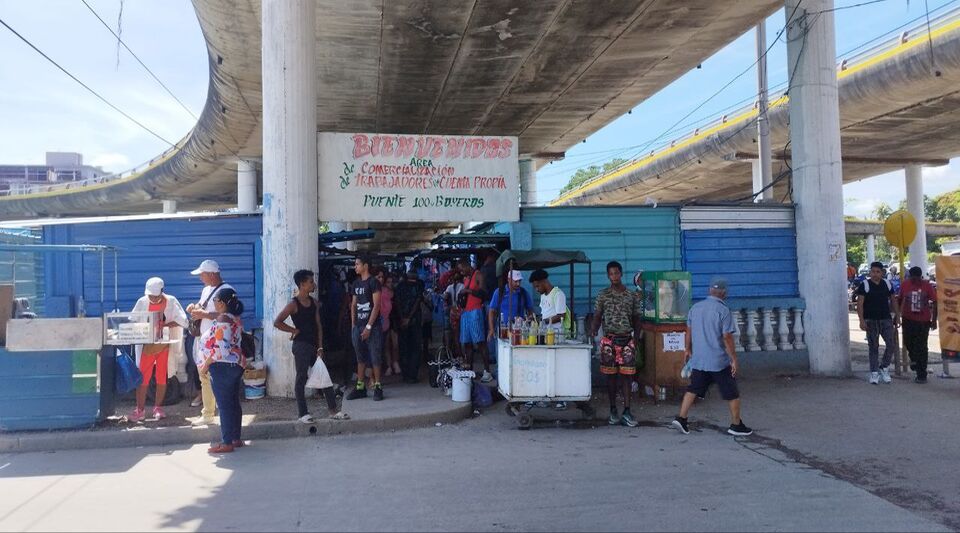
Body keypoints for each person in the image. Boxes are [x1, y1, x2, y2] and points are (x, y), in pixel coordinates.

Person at [672, 278, 753, 436]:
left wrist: (687, 349)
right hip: (718, 361)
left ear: (709, 291)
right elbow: (726, 337)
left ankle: (681, 418)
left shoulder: (695, 308)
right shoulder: (723, 311)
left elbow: (688, 330)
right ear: (724, 293)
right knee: (732, 392)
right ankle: (736, 425)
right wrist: (734, 359)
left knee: (693, 388)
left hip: (699, 359)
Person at [273, 269, 349, 423]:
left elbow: (318, 326)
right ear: (302, 284)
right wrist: (293, 330)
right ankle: (303, 414)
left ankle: (333, 411)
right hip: (301, 345)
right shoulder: (293, 305)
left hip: (314, 345)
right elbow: (277, 322)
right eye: (310, 282)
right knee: (301, 377)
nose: (313, 284)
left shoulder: (314, 303)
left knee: (324, 375)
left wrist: (320, 347)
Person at [590, 261, 642, 427]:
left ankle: (627, 411)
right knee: (610, 377)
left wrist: (636, 338)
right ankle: (613, 410)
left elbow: (637, 318)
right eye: (611, 274)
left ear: (621, 274)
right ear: (608, 275)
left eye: (616, 273)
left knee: (627, 377)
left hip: (627, 339)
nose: (614, 276)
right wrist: (593, 331)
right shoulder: (603, 295)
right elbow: (597, 316)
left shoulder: (631, 295)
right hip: (609, 340)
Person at [129, 277, 188, 422]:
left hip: (165, 345)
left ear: (162, 292)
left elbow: (184, 321)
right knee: (143, 378)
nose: (153, 299)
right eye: (151, 296)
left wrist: (168, 325)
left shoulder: (171, 301)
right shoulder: (142, 301)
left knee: (162, 376)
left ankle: (158, 408)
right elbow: (132, 319)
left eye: (156, 296)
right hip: (146, 346)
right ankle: (140, 410)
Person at [197, 288, 246, 454]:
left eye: (216, 300)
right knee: (232, 403)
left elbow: (221, 350)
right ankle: (235, 438)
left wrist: (205, 364)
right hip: (235, 365)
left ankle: (226, 442)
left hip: (222, 367)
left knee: (224, 406)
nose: (214, 303)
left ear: (222, 303)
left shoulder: (223, 320)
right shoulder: (234, 318)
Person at [186, 259, 233, 426]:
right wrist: (194, 307)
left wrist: (204, 315)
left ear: (212, 274)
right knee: (204, 376)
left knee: (217, 377)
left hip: (219, 341)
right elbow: (203, 307)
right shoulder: (206, 289)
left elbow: (229, 315)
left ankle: (222, 413)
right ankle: (208, 413)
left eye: (202, 274)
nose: (200, 278)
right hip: (204, 339)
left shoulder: (227, 290)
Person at [855, 261, 900, 385]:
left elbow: (893, 300)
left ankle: (884, 367)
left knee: (891, 344)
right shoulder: (865, 285)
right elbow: (860, 304)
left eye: (878, 272)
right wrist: (861, 320)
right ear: (870, 272)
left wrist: (897, 315)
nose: (875, 274)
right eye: (873, 271)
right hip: (871, 320)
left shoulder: (887, 284)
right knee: (873, 347)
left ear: (882, 273)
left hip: (886, 319)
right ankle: (874, 372)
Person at [347, 256, 384, 401]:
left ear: (365, 266)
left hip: (373, 327)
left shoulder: (374, 282)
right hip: (358, 326)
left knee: (375, 357)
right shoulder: (355, 283)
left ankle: (377, 387)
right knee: (360, 358)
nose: (355, 267)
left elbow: (377, 306)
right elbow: (353, 305)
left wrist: (368, 326)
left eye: (357, 264)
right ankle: (360, 387)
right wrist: (353, 325)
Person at [899, 266, 937, 383]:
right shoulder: (905, 285)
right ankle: (914, 360)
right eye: (913, 278)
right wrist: (897, 314)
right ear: (910, 276)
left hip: (923, 321)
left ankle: (922, 374)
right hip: (908, 319)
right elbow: (900, 300)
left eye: (917, 278)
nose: (915, 280)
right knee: (908, 342)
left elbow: (935, 302)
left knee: (921, 347)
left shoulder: (927, 286)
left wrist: (934, 320)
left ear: (921, 276)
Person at [459, 258, 493, 382]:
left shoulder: (478, 275)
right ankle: (470, 370)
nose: (461, 272)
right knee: (466, 343)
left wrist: (468, 290)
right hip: (466, 313)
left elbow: (484, 293)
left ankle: (487, 371)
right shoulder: (466, 278)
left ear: (467, 266)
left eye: (462, 269)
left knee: (480, 342)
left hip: (476, 311)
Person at [395, 268, 426, 383]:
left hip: (402, 321)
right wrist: (408, 318)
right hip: (414, 320)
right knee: (415, 348)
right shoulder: (419, 285)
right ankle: (412, 375)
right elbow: (417, 302)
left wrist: (403, 317)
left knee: (404, 347)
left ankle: (406, 374)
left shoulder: (399, 286)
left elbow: (397, 302)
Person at [487, 270, 534, 340]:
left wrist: (529, 319)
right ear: (509, 280)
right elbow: (491, 311)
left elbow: (530, 311)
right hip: (503, 329)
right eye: (515, 281)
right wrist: (491, 329)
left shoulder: (523, 293)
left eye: (519, 281)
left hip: (519, 331)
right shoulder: (499, 292)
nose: (518, 284)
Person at [378, 270, 402, 377]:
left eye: (391, 282)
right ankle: (389, 366)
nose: (390, 284)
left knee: (395, 344)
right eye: (388, 282)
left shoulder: (396, 292)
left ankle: (395, 362)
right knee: (387, 345)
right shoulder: (382, 293)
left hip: (394, 319)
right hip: (385, 320)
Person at [530, 269, 567, 334]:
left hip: (556, 334)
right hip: (545, 333)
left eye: (537, 286)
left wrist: (543, 322)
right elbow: (545, 313)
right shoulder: (543, 295)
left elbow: (561, 316)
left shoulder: (558, 294)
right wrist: (535, 318)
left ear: (544, 281)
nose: (536, 289)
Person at [443, 270, 465, 360]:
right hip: (460, 310)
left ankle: (451, 353)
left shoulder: (449, 287)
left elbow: (445, 297)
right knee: (459, 334)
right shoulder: (463, 286)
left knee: (452, 333)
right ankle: (460, 354)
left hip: (451, 310)